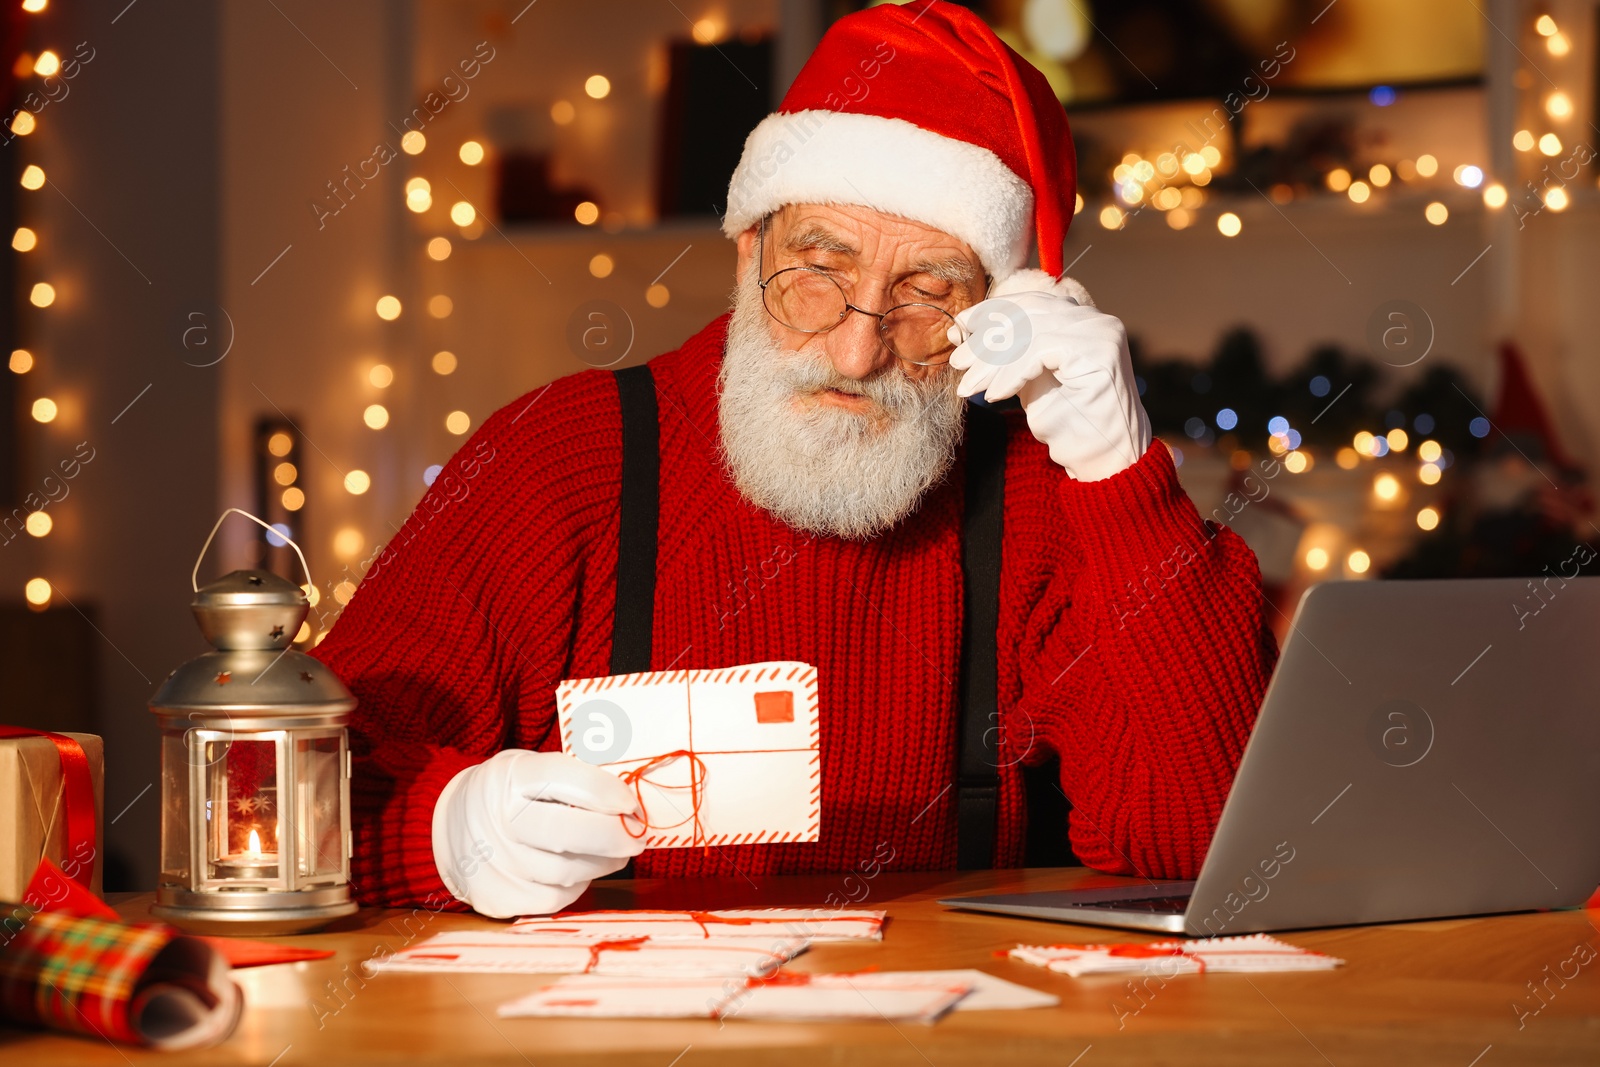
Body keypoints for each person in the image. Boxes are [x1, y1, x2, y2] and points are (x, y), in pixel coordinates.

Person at [311, 0, 1277, 918]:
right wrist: (441, 829)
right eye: (818, 270)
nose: (859, 350)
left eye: (927, 291)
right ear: (746, 251)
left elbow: (1204, 845)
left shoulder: (1039, 498)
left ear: (993, 309)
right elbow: (277, 810)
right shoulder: (561, 460)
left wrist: (1120, 476)